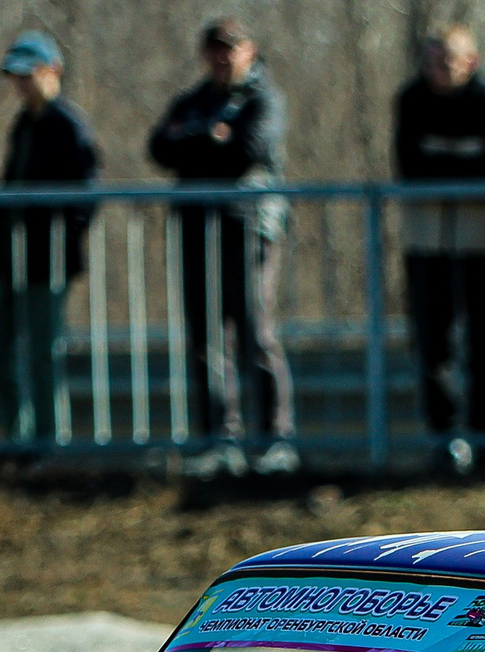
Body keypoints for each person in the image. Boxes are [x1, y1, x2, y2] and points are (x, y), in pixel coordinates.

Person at [150, 17, 297, 476]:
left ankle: (276, 439)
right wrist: (207, 137)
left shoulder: (264, 98)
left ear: (250, 50)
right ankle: (219, 439)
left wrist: (197, 141)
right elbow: (159, 147)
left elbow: (247, 150)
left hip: (249, 228)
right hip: (198, 229)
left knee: (255, 332)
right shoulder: (194, 100)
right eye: (214, 48)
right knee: (205, 339)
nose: (222, 57)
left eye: (231, 48)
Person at [394, 24, 485, 476]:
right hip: (427, 239)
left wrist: (446, 159)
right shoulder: (411, 100)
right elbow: (411, 165)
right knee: (433, 341)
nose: (439, 70)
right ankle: (443, 438)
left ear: (471, 62)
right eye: (432, 61)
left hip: (480, 241)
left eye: (449, 61)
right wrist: (464, 157)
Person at [0, 30, 99, 448]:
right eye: (16, 76)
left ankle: (48, 443)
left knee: (43, 353)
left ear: (54, 72)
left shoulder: (68, 125)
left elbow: (87, 193)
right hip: (14, 256)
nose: (22, 84)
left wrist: (64, 238)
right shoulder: (23, 124)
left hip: (48, 258)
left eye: (30, 74)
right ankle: (19, 437)